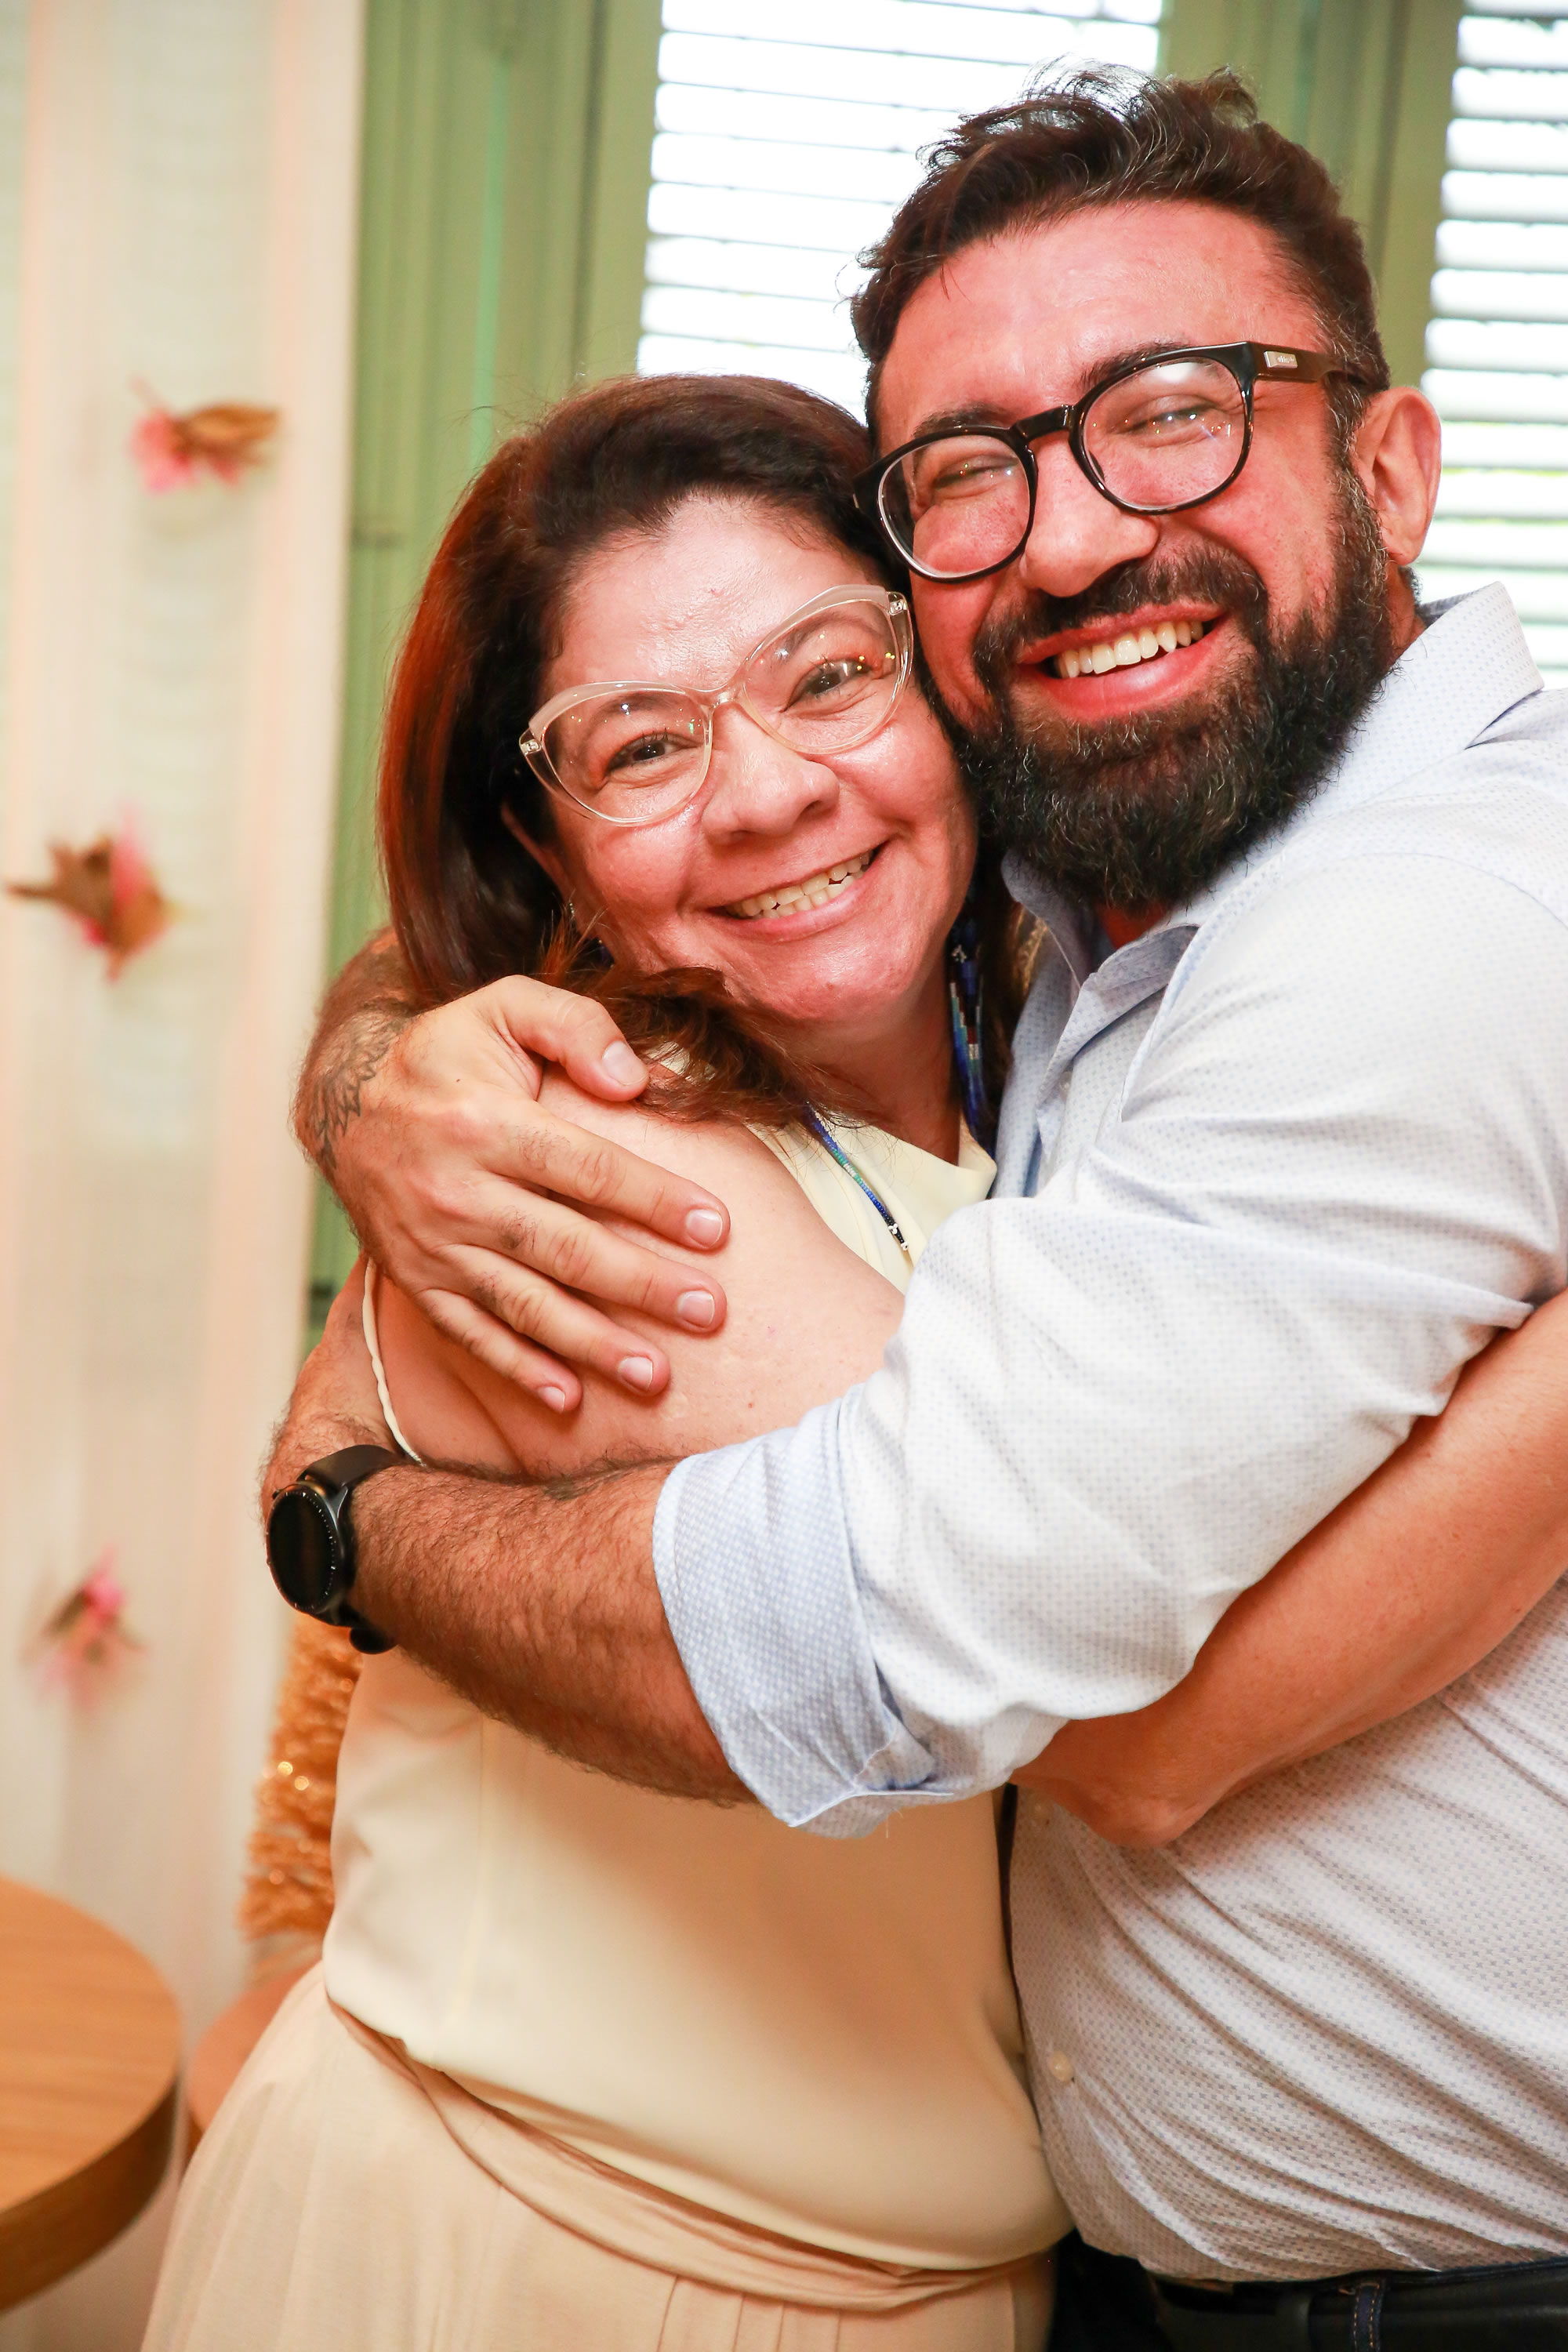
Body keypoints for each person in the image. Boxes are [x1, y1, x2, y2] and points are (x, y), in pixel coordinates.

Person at [270, 72, 1568, 2347]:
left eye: (823, 672)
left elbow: (1074, 1706)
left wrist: (351, 1513)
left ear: (1394, 467)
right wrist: (381, 1070)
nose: (769, 786)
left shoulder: (1305, 937)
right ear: (554, 849)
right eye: (642, 746)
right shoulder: (653, 1145)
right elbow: (1109, 1729)